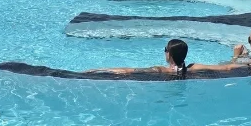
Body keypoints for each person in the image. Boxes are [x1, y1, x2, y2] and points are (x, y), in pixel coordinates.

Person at [88, 39, 233, 76]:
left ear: (169, 54)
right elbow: (226, 68)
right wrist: (237, 58)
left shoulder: (160, 70)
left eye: (165, 50)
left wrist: (96, 70)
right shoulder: (194, 68)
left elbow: (126, 71)